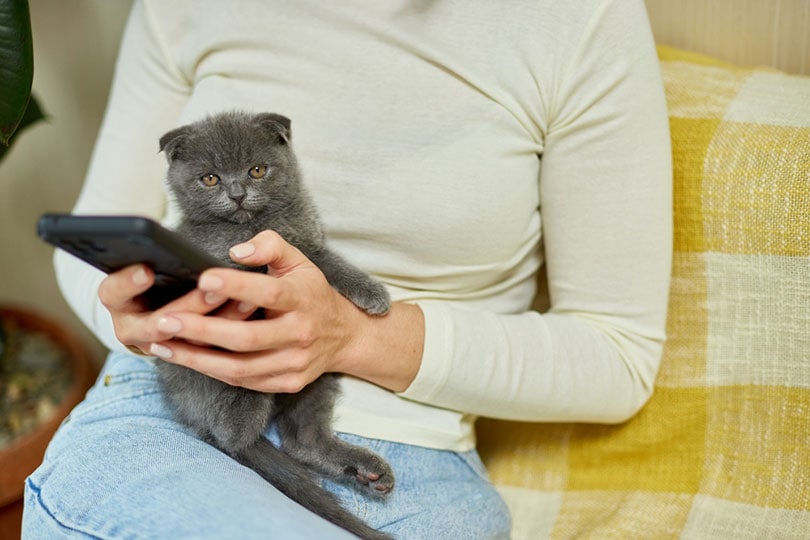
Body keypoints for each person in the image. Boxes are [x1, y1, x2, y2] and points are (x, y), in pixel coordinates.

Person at [23, 0, 672, 538]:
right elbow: (93, 244)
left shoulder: (580, 19)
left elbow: (618, 355)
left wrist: (357, 336)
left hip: (416, 452)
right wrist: (143, 319)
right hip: (181, 411)